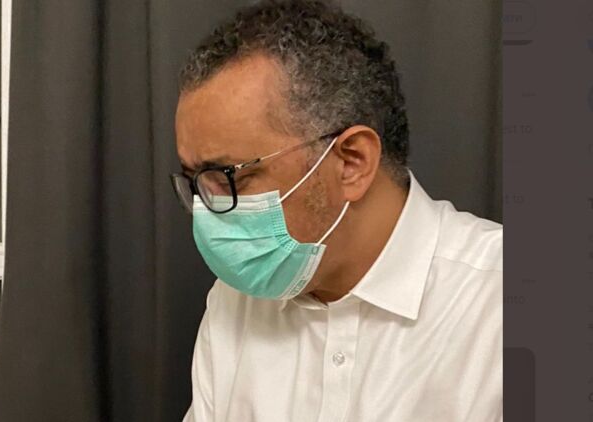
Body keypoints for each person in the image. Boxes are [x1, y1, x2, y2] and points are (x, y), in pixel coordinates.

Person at [169, 1, 502, 421]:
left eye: (226, 176)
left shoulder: (500, 307)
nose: (207, 212)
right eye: (197, 181)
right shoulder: (236, 300)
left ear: (351, 162)